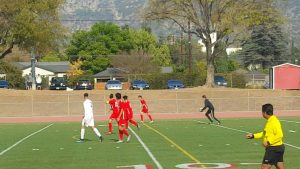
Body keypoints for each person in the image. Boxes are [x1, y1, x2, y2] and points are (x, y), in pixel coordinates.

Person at [246, 103, 285, 169]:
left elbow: (280, 135)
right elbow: (264, 134)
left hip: (273, 148)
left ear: (264, 112)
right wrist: (253, 136)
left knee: (264, 167)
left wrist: (268, 142)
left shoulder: (274, 122)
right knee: (279, 166)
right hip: (277, 148)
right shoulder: (270, 121)